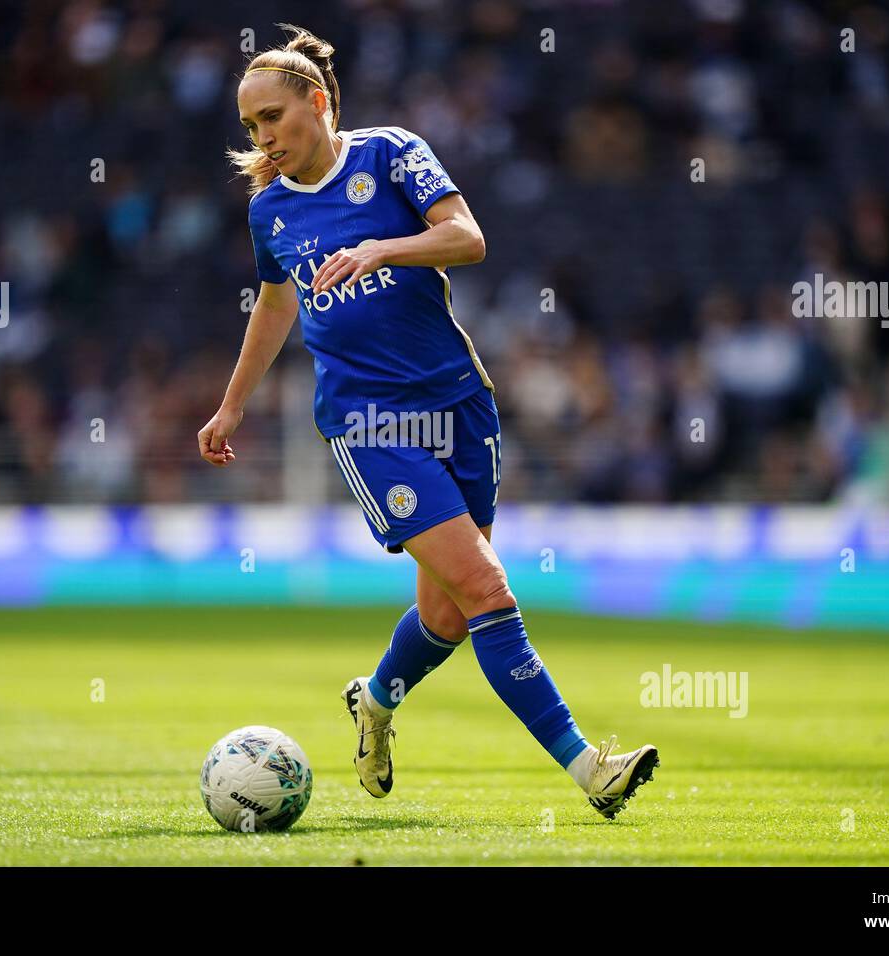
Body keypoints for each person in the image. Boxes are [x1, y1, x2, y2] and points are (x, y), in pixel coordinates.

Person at [198, 23, 658, 818]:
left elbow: (468, 238)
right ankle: (591, 768)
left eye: (271, 117)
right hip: (369, 424)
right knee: (484, 586)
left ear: (317, 103)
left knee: (446, 611)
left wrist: (382, 249)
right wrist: (233, 401)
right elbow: (276, 303)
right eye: (250, 126)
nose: (262, 137)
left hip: (459, 403)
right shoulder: (270, 210)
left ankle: (375, 702)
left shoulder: (390, 154)